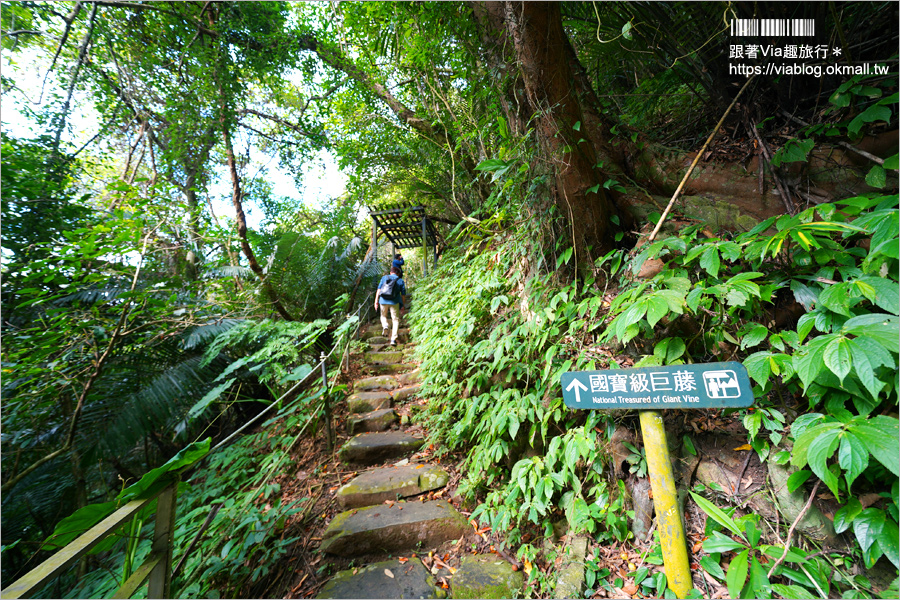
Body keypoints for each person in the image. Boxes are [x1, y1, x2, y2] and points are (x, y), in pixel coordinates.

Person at [374, 266, 406, 346]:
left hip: (383, 301)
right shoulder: (400, 280)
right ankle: (393, 339)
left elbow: (379, 289)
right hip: (394, 302)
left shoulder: (384, 277)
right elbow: (403, 295)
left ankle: (385, 325)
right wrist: (403, 305)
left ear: (390, 272)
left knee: (383, 316)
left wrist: (376, 301)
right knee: (395, 320)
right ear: (398, 273)